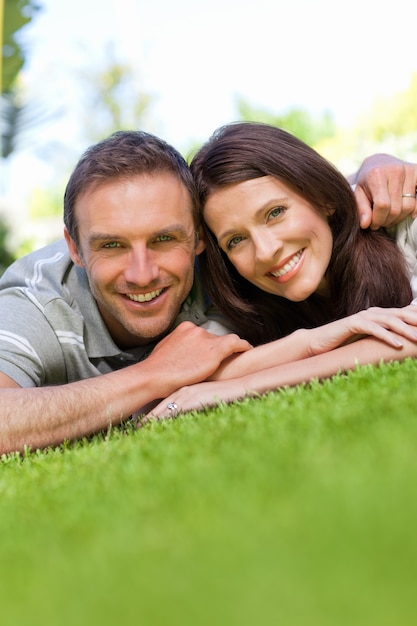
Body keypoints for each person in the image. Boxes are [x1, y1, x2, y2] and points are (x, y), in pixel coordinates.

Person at [0, 129, 415, 453]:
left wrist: (375, 171)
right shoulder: (36, 304)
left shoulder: (231, 267)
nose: (142, 274)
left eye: (164, 239)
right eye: (112, 245)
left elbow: (302, 201)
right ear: (74, 247)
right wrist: (154, 375)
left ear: (199, 239)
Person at [147, 122, 417, 419]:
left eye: (275, 213)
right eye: (236, 240)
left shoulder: (405, 222)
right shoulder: (246, 300)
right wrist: (309, 342)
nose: (265, 251)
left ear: (323, 197)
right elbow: (188, 373)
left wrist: (245, 386)